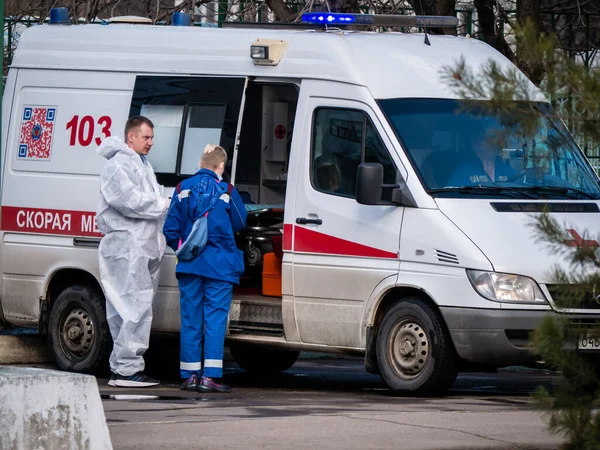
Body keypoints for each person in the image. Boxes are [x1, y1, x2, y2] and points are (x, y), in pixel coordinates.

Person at [163, 144, 247, 393]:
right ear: (221, 167)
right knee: (215, 320)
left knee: (190, 320)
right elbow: (240, 222)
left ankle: (189, 376)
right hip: (220, 267)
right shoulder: (227, 191)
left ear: (200, 164)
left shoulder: (182, 189)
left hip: (190, 266)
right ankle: (210, 377)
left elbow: (169, 230)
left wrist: (185, 247)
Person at [97, 116, 169, 388]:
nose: (150, 142)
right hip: (127, 247)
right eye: (146, 137)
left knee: (134, 306)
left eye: (152, 138)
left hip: (140, 246)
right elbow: (131, 202)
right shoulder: (118, 166)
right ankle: (127, 370)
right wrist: (164, 204)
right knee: (130, 307)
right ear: (131, 137)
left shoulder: (141, 164)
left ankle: (126, 367)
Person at [448, 127, 514, 186]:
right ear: (474, 144)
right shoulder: (463, 171)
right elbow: (455, 196)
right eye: (488, 140)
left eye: (495, 141)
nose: (493, 144)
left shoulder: (507, 170)